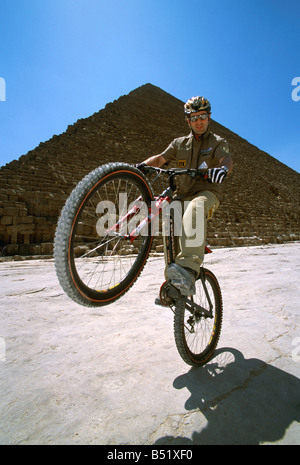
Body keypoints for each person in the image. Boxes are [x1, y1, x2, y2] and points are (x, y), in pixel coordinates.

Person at [137, 96, 233, 300]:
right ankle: (174, 285)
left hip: (207, 193)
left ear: (209, 118)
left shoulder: (217, 142)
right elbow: (161, 159)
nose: (199, 121)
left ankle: (188, 270)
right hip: (181, 196)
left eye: (203, 116)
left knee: (196, 208)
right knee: (169, 222)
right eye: (194, 117)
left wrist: (222, 169)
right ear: (188, 120)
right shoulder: (179, 144)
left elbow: (226, 159)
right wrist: (141, 166)